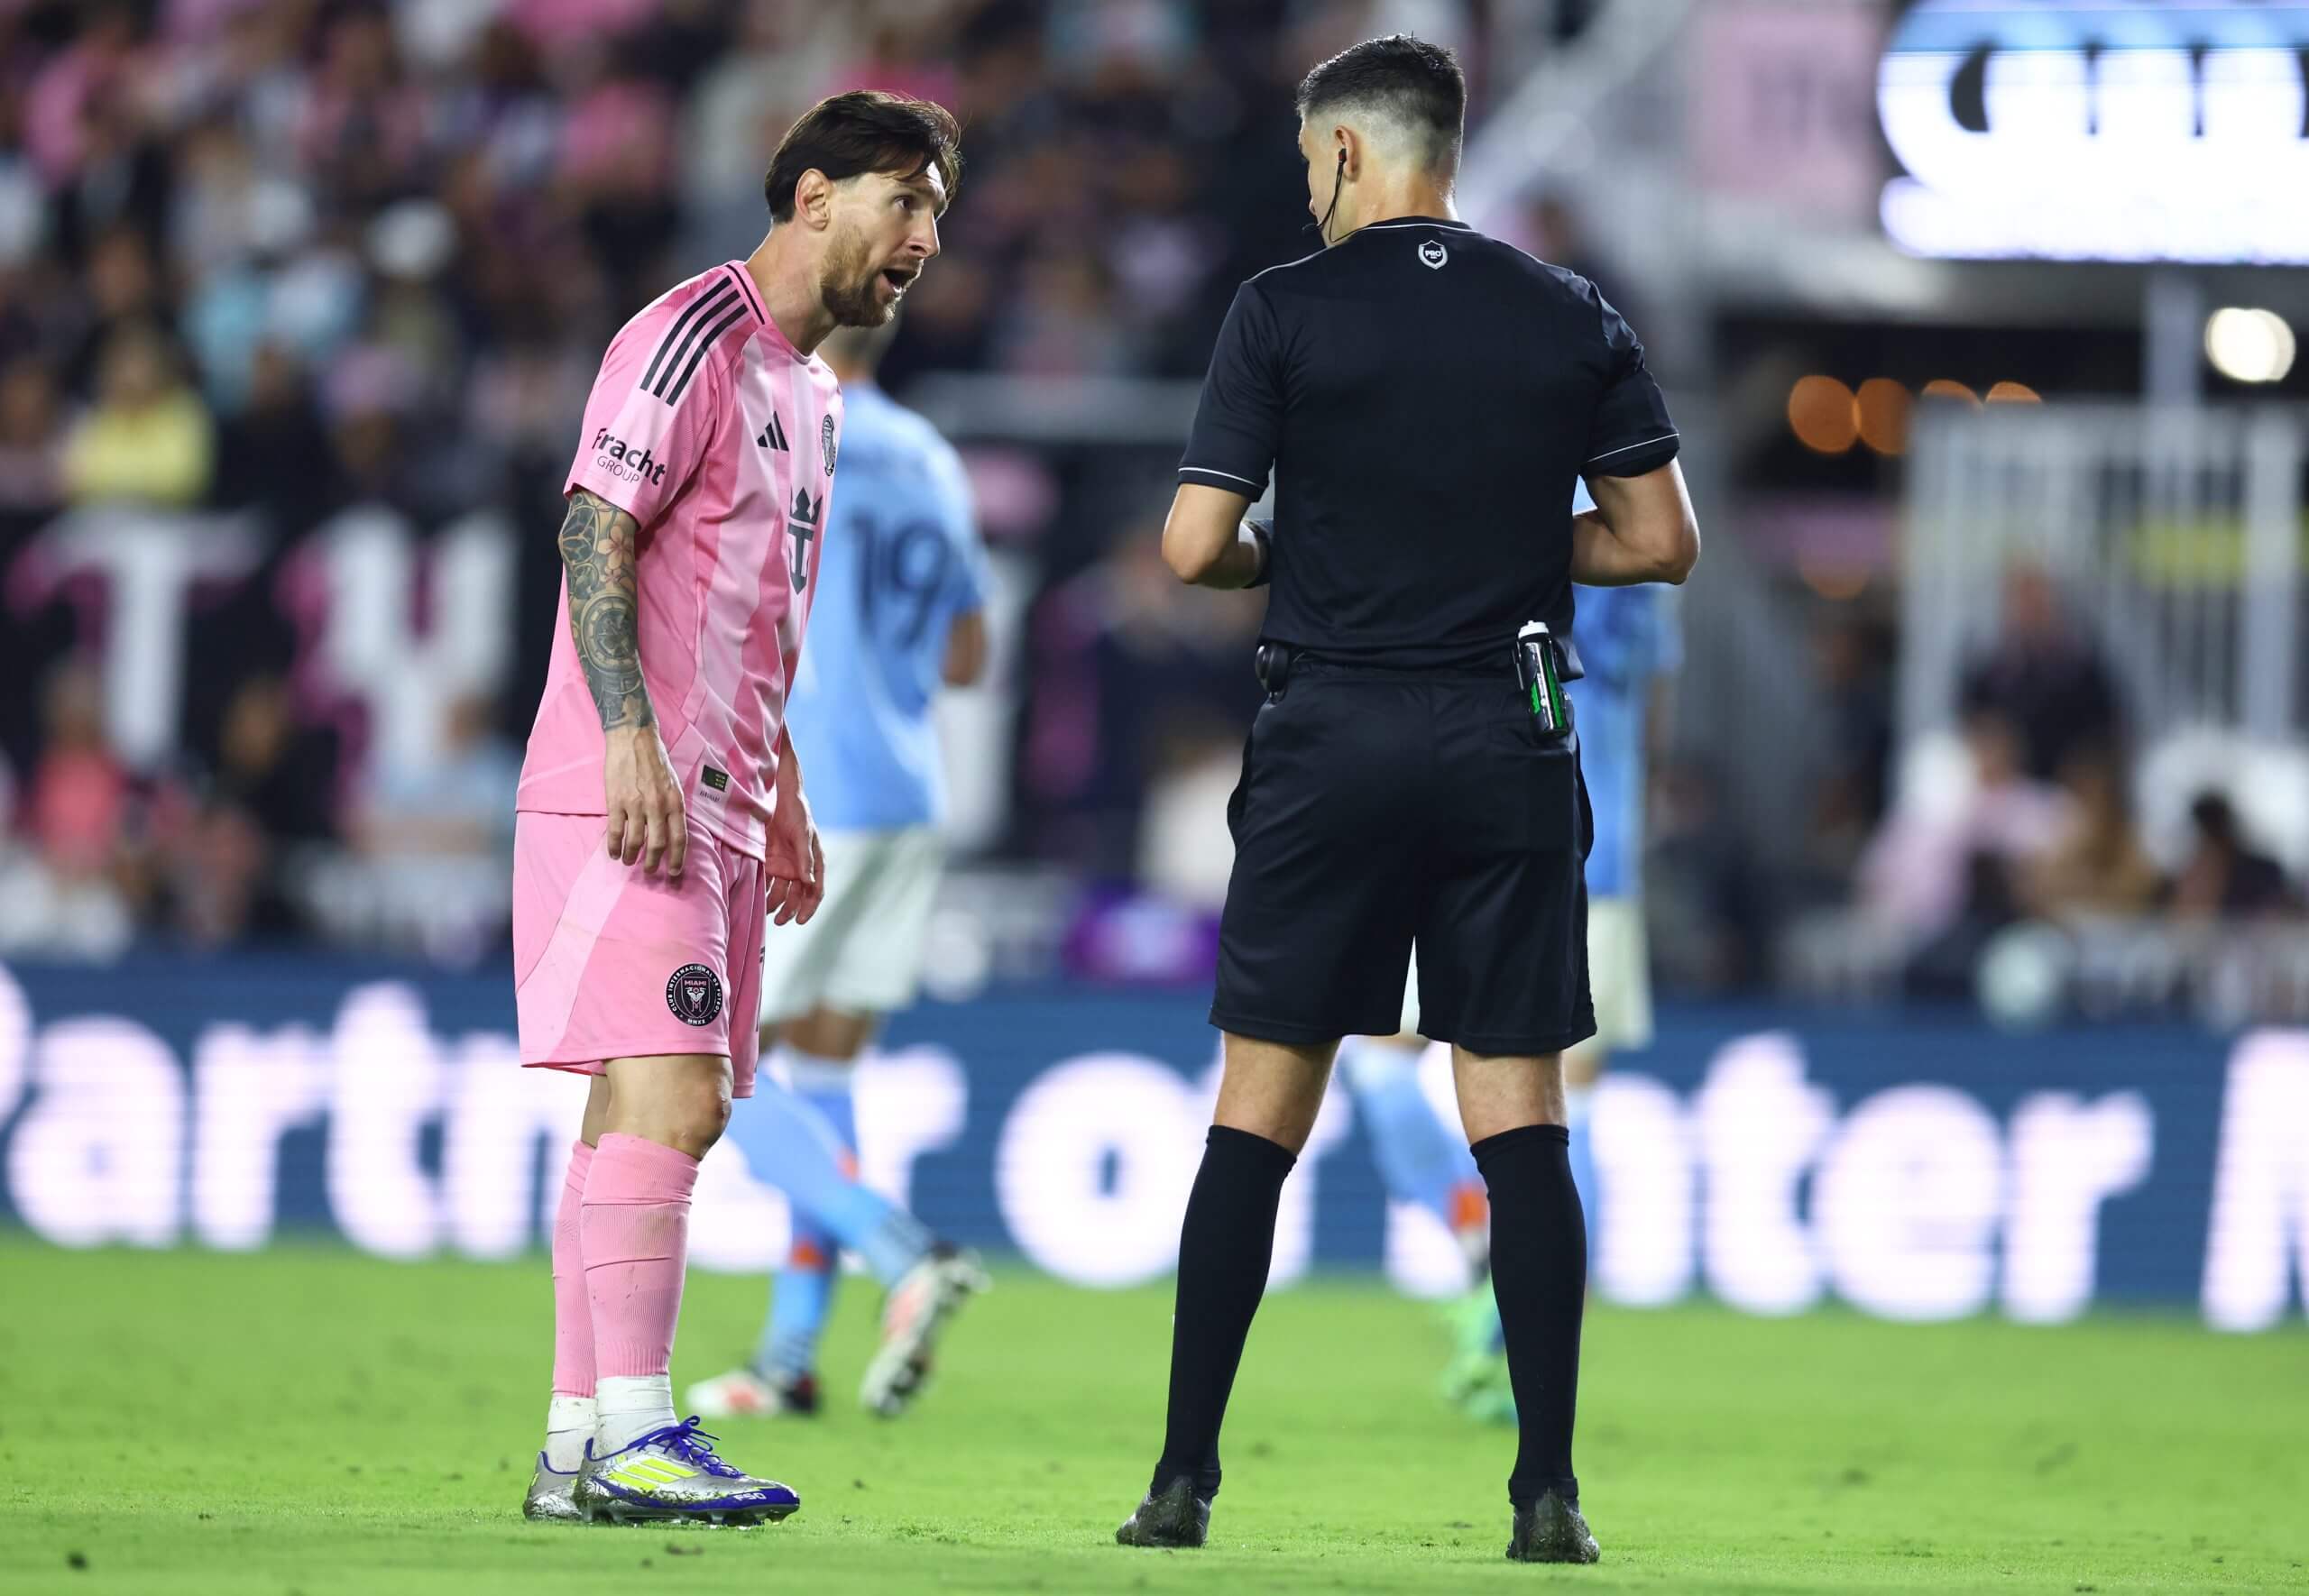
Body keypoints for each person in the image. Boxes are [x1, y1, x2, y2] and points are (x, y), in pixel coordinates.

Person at [1110, 35, 1697, 1565]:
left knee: (1259, 1115)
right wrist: (1508, 544)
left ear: (1358, 153)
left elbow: (1189, 549)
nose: (1309, 192)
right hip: (1509, 732)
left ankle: (1182, 1481)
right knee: (1521, 1116)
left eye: (1315, 165)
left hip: (1333, 736)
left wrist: (1290, 559)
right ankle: (1547, 1495)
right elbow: (1660, 540)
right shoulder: (1570, 315)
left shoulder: (1282, 310)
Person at [510, 90, 960, 1528]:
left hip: (723, 794)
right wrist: (631, 736)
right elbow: (595, 525)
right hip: (631, 788)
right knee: (680, 1096)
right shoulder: (688, 333)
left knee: (627, 1112)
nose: (926, 237)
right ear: (812, 194)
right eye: (905, 200)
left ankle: (579, 1443)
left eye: (937, 210)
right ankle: (646, 1429)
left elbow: (762, 608)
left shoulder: (817, 395)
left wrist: (785, 787)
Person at [685, 316, 992, 1424]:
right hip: (913, 794)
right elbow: (969, 654)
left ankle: (902, 1252)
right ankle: (789, 1358)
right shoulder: (930, 454)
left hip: (812, 796)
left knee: (712, 1069)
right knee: (818, 1079)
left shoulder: (791, 430)